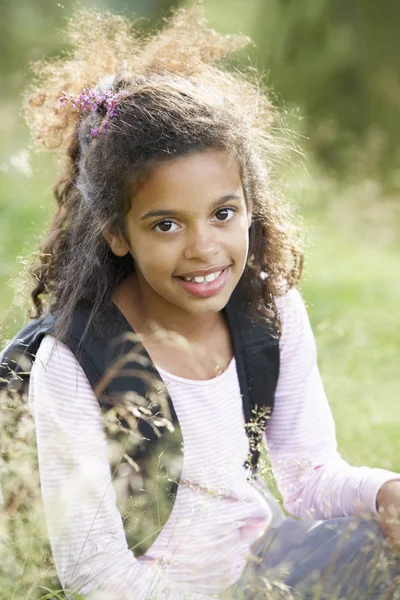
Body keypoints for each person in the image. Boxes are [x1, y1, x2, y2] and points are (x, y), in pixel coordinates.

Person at [1, 5, 399, 599]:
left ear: (249, 204)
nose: (203, 249)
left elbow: (308, 476)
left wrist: (383, 493)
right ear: (116, 233)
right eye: (165, 225)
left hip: (266, 569)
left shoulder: (270, 312)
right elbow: (96, 572)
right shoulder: (80, 360)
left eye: (222, 213)